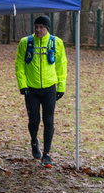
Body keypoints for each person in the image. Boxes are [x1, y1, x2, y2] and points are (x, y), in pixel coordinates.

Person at [15, 15, 67, 168]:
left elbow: (61, 65)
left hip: (50, 88)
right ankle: (33, 141)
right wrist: (22, 84)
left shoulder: (56, 42)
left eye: (41, 27)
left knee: (49, 121)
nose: (38, 30)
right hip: (31, 89)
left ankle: (47, 154)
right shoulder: (25, 42)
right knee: (34, 121)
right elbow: (19, 64)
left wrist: (61, 87)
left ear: (47, 29)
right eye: (36, 26)